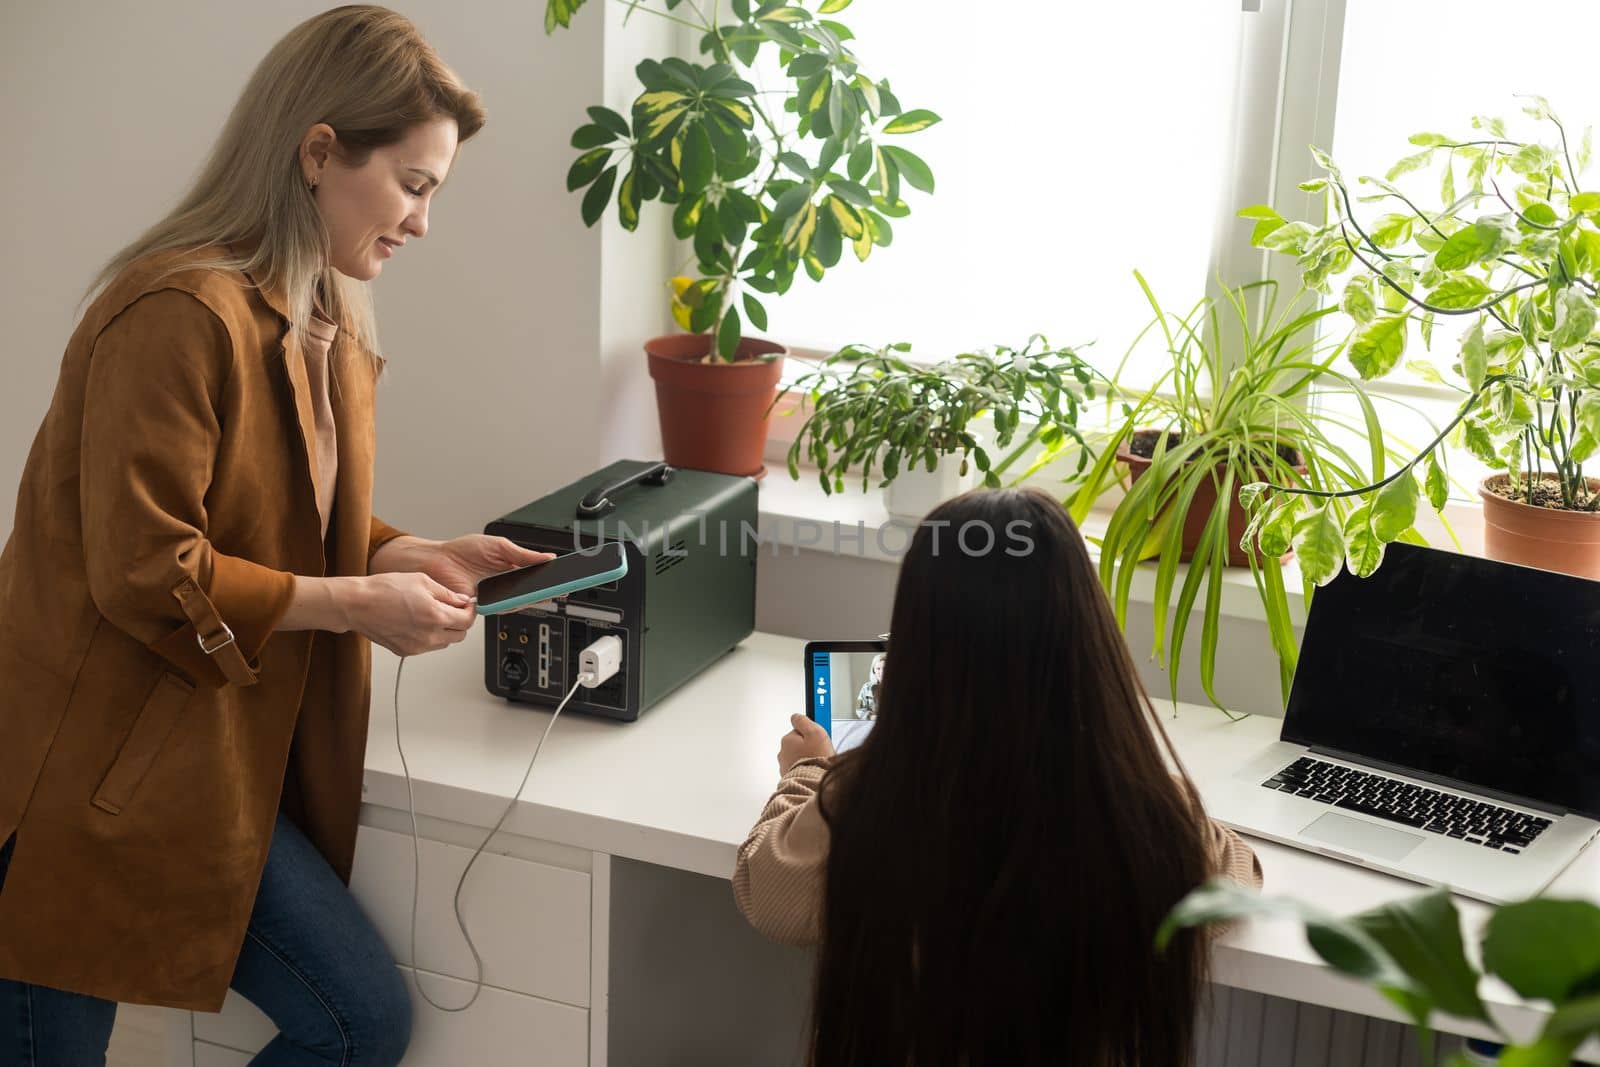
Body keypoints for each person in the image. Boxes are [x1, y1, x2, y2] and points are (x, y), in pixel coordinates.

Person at [0, 7, 552, 1064]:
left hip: (199, 766)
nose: (423, 224)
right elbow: (148, 566)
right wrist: (357, 603)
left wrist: (402, 553)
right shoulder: (175, 312)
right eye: (413, 185)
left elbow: (273, 518)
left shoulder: (324, 317)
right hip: (76, 786)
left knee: (359, 1019)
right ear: (317, 152)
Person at [734, 487, 1262, 1067]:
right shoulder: (1144, 814)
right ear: (1087, 644)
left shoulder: (867, 799)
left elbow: (769, 894)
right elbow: (1235, 883)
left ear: (916, 646)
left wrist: (810, 772)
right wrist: (1134, 768)